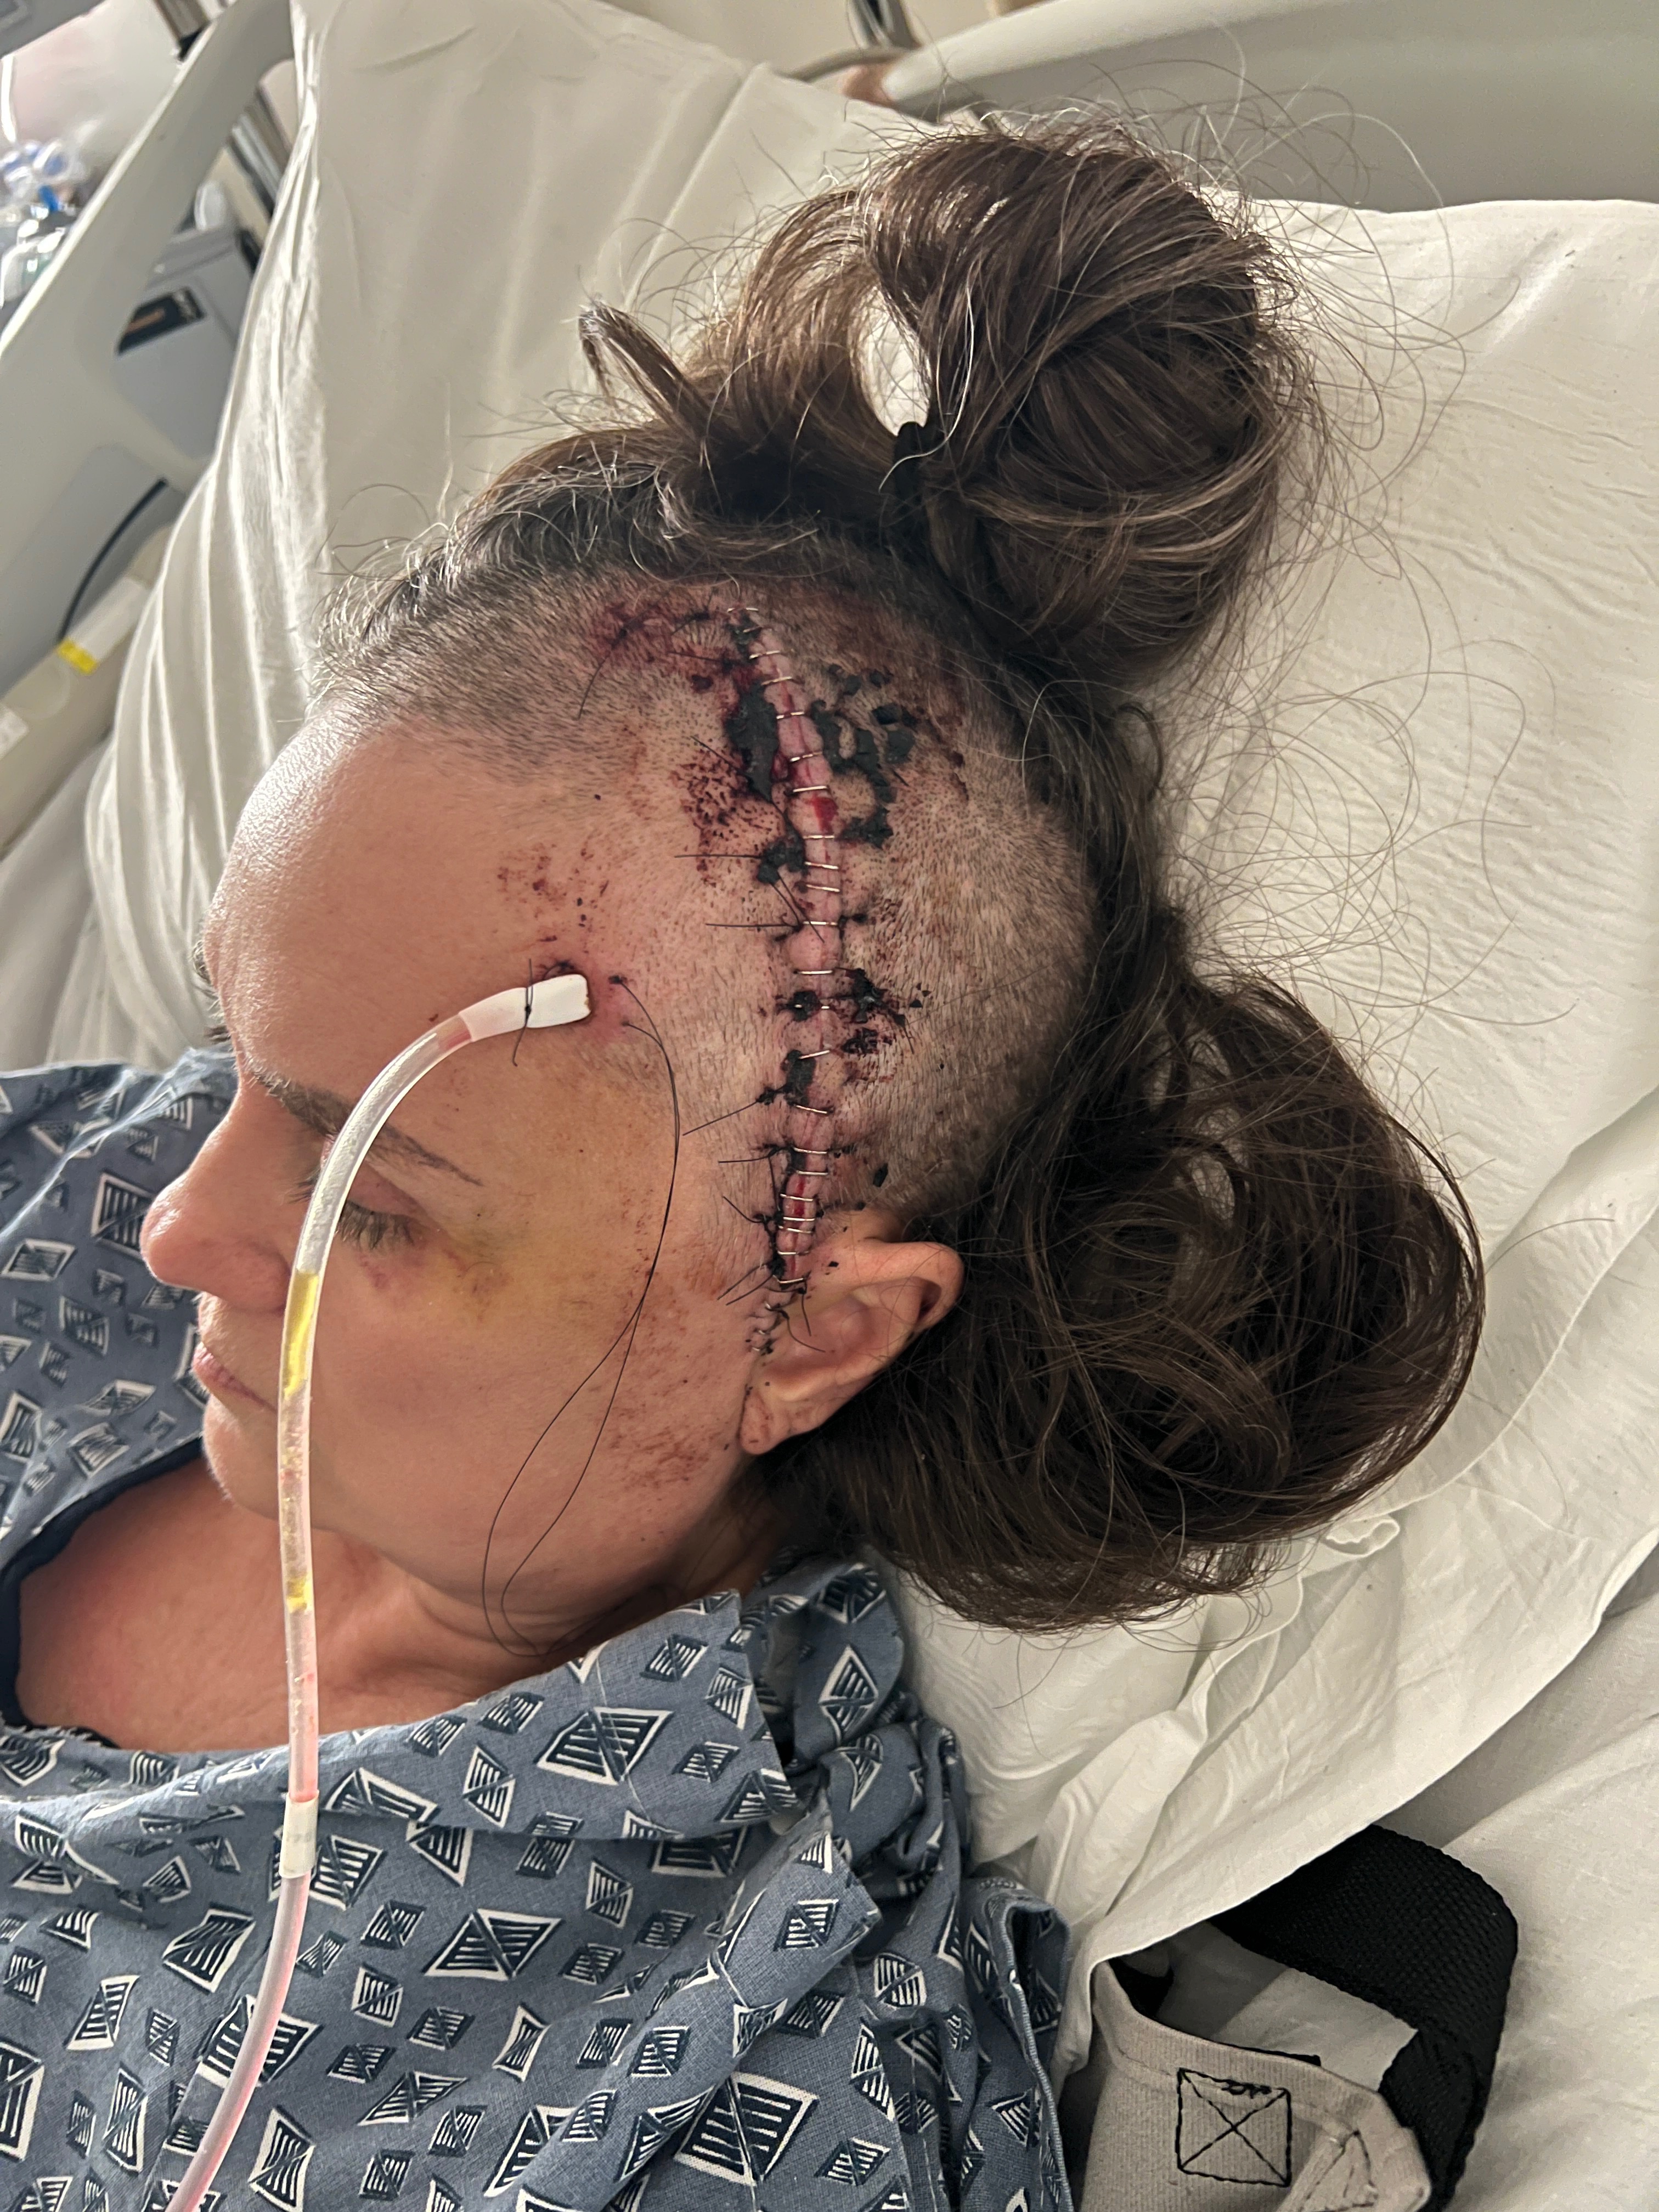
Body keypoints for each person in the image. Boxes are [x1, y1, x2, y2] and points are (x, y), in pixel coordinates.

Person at [0, 116, 1480, 2210]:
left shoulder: (737, 2073)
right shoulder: (65, 1195)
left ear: (805, 1334)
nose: (176, 1220)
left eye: (370, 1202)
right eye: (239, 1052)